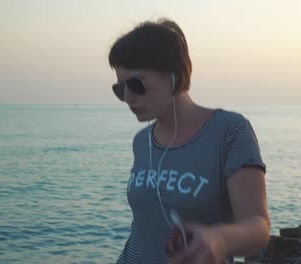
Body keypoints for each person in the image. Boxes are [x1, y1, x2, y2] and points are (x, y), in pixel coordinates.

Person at [108, 18, 270, 264]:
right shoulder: (142, 142)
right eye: (119, 89)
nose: (128, 97)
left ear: (174, 75)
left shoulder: (229, 131)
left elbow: (259, 227)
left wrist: (220, 239)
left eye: (136, 84)